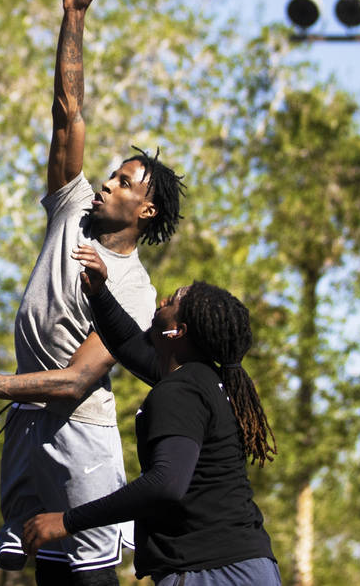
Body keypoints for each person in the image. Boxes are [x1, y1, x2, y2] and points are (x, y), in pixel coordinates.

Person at [0, 0, 184, 586]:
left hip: (78, 439)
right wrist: (72, 15)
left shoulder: (135, 289)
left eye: (122, 182)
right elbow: (68, 110)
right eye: (110, 175)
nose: (106, 185)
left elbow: (73, 383)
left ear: (145, 209)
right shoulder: (71, 208)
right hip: (25, 427)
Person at [22, 244, 279, 586]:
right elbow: (128, 343)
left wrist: (67, 521)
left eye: (170, 302)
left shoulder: (181, 391)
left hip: (211, 572)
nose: (161, 303)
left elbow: (166, 484)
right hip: (244, 566)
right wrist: (99, 291)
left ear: (178, 331)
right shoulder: (201, 380)